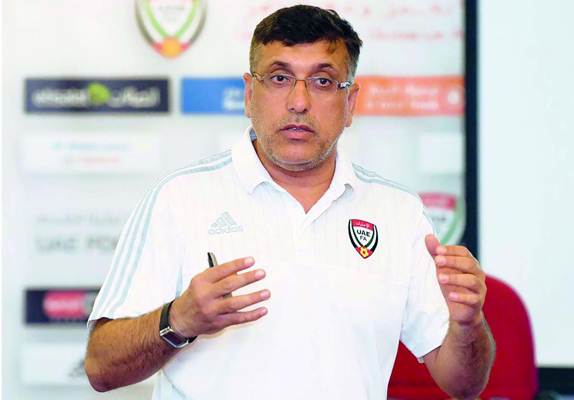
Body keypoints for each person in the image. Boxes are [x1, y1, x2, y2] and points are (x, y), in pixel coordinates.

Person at [85, 5, 495, 400]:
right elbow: (101, 368)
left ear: (350, 103)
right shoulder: (179, 198)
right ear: (250, 94)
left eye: (322, 81)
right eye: (280, 78)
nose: (299, 102)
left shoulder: (399, 212)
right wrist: (179, 320)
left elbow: (463, 385)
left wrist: (468, 324)